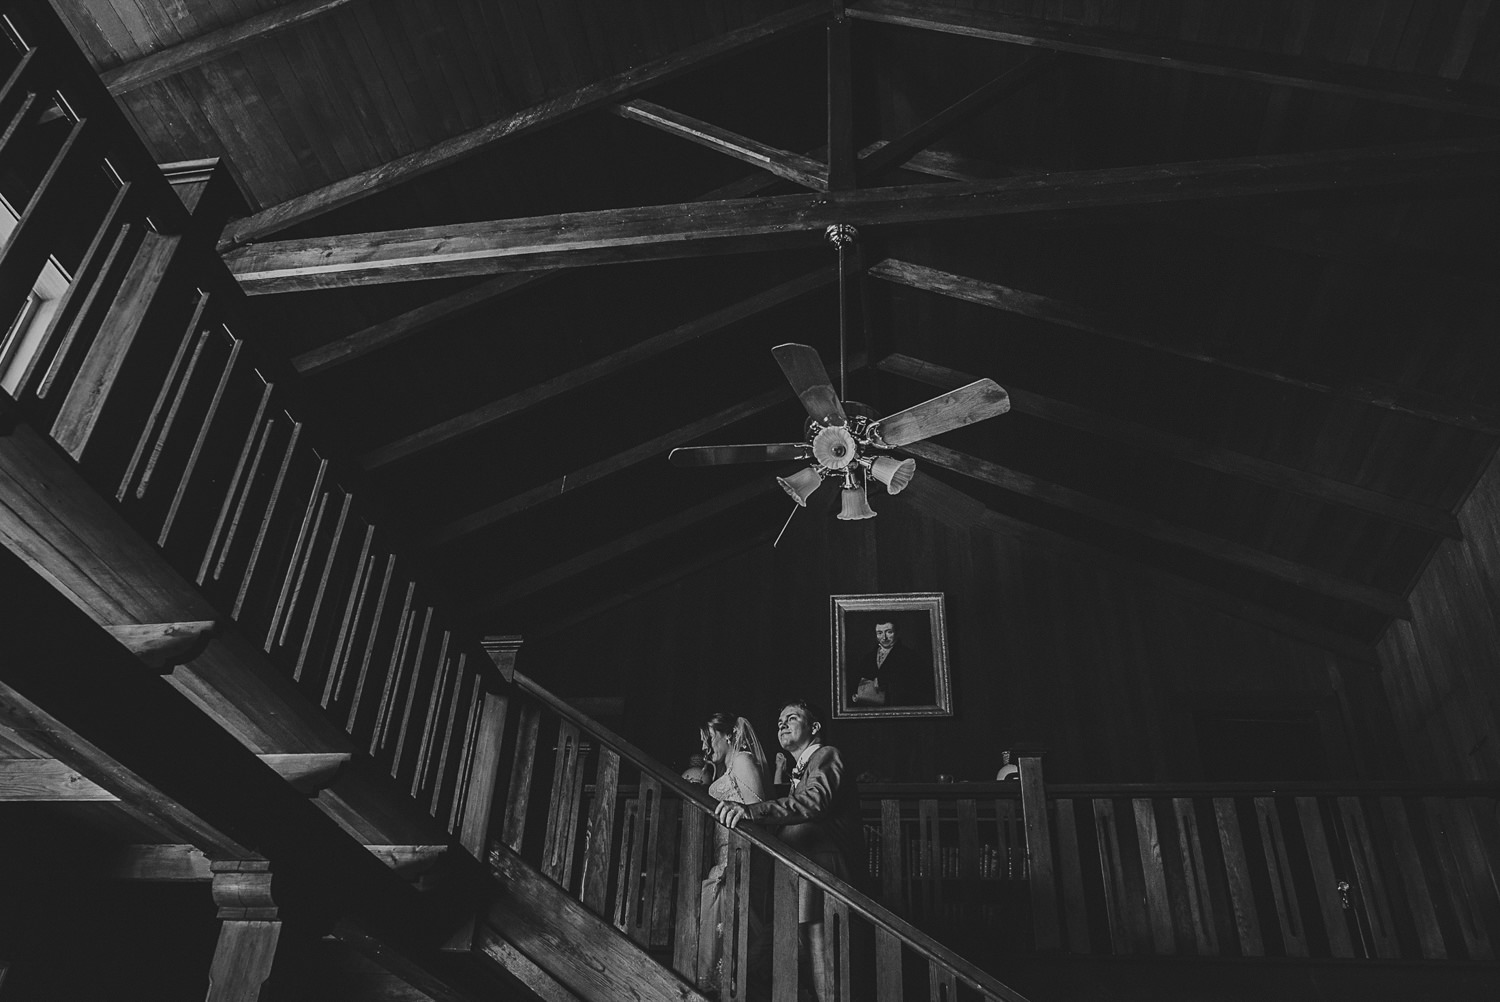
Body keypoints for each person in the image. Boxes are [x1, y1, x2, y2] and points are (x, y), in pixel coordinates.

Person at [716, 700, 865, 1002]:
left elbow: (815, 801)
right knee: (769, 961)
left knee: (824, 967)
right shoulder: (800, 770)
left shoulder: (827, 754)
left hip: (823, 877)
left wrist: (752, 812)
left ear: (815, 727)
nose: (782, 724)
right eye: (779, 720)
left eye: (792, 718)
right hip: (796, 879)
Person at [698, 712, 770, 994]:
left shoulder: (743, 760)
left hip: (740, 858)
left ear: (728, 735)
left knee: (737, 929)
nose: (705, 747)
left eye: (710, 738)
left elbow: (757, 811)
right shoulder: (725, 770)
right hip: (723, 856)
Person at [850, 619, 933, 707]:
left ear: (897, 632)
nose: (884, 637)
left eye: (889, 632)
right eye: (879, 633)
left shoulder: (909, 656)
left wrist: (886, 679)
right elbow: (856, 681)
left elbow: (920, 685)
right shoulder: (868, 657)